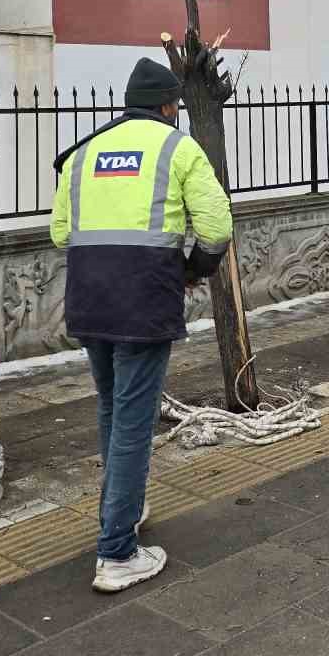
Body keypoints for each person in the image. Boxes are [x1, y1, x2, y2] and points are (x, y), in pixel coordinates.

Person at [50, 57, 232, 592]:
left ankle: (123, 507)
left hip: (89, 297)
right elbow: (218, 226)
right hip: (144, 299)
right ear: (170, 106)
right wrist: (191, 270)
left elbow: (61, 233)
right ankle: (117, 552)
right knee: (134, 420)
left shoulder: (84, 153)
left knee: (112, 408)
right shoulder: (178, 148)